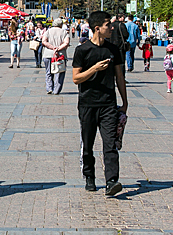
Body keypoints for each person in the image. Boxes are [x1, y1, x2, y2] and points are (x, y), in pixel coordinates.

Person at [72, 11, 128, 195]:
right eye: (108, 25)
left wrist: (124, 101)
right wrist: (94, 69)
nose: (111, 28)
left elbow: (119, 77)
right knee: (88, 144)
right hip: (88, 104)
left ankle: (112, 181)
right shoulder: (83, 50)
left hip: (108, 105)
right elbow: (76, 78)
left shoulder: (113, 50)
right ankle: (89, 176)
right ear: (97, 28)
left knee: (110, 144)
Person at [42, 18, 70, 95]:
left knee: (48, 72)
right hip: (60, 55)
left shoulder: (48, 31)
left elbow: (44, 41)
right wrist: (58, 48)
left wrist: (52, 47)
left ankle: (49, 88)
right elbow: (66, 43)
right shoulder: (64, 32)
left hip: (48, 54)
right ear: (61, 25)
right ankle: (56, 90)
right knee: (60, 72)